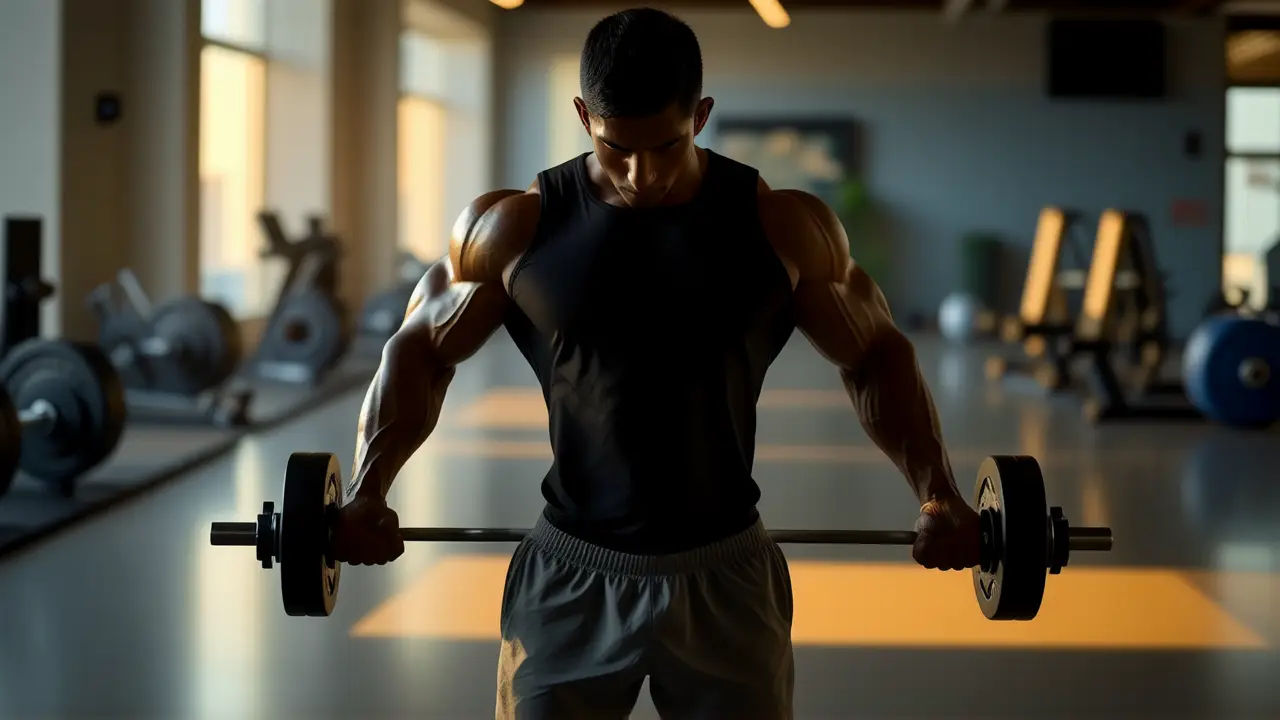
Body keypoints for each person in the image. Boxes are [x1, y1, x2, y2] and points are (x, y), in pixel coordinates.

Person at [334, 7, 980, 719]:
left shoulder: (785, 226)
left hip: (727, 575)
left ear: (700, 115)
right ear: (584, 115)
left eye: (667, 145)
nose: (643, 175)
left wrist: (938, 493)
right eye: (617, 148)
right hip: (569, 574)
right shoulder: (514, 228)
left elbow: (876, 353)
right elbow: (419, 350)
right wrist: (368, 487)